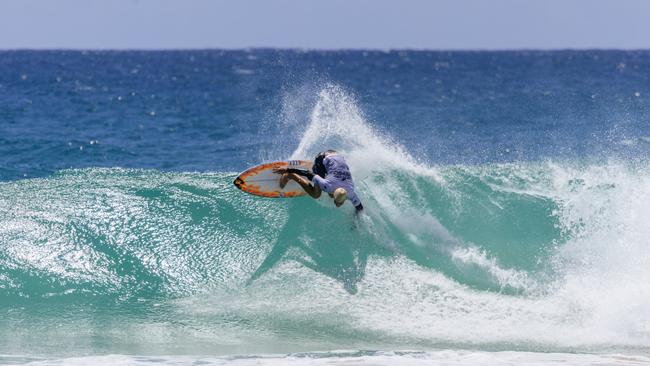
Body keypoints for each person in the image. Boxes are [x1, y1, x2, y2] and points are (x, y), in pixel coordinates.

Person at [274, 150, 364, 212]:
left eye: (340, 202)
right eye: (338, 202)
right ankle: (290, 176)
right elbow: (308, 173)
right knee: (316, 194)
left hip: (336, 155)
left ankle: (324, 172)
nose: (338, 205)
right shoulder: (327, 186)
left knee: (330, 194)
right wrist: (288, 170)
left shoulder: (351, 194)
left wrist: (356, 221)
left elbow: (359, 208)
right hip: (322, 158)